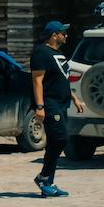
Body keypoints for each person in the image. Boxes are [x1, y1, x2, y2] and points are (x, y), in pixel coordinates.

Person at [31, 20, 73, 197]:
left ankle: (48, 181)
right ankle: (43, 177)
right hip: (50, 104)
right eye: (63, 32)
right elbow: (37, 81)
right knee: (60, 139)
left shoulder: (58, 54)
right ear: (54, 35)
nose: (66, 35)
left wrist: (75, 98)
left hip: (62, 103)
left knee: (57, 141)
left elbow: (62, 80)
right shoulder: (41, 52)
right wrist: (40, 106)